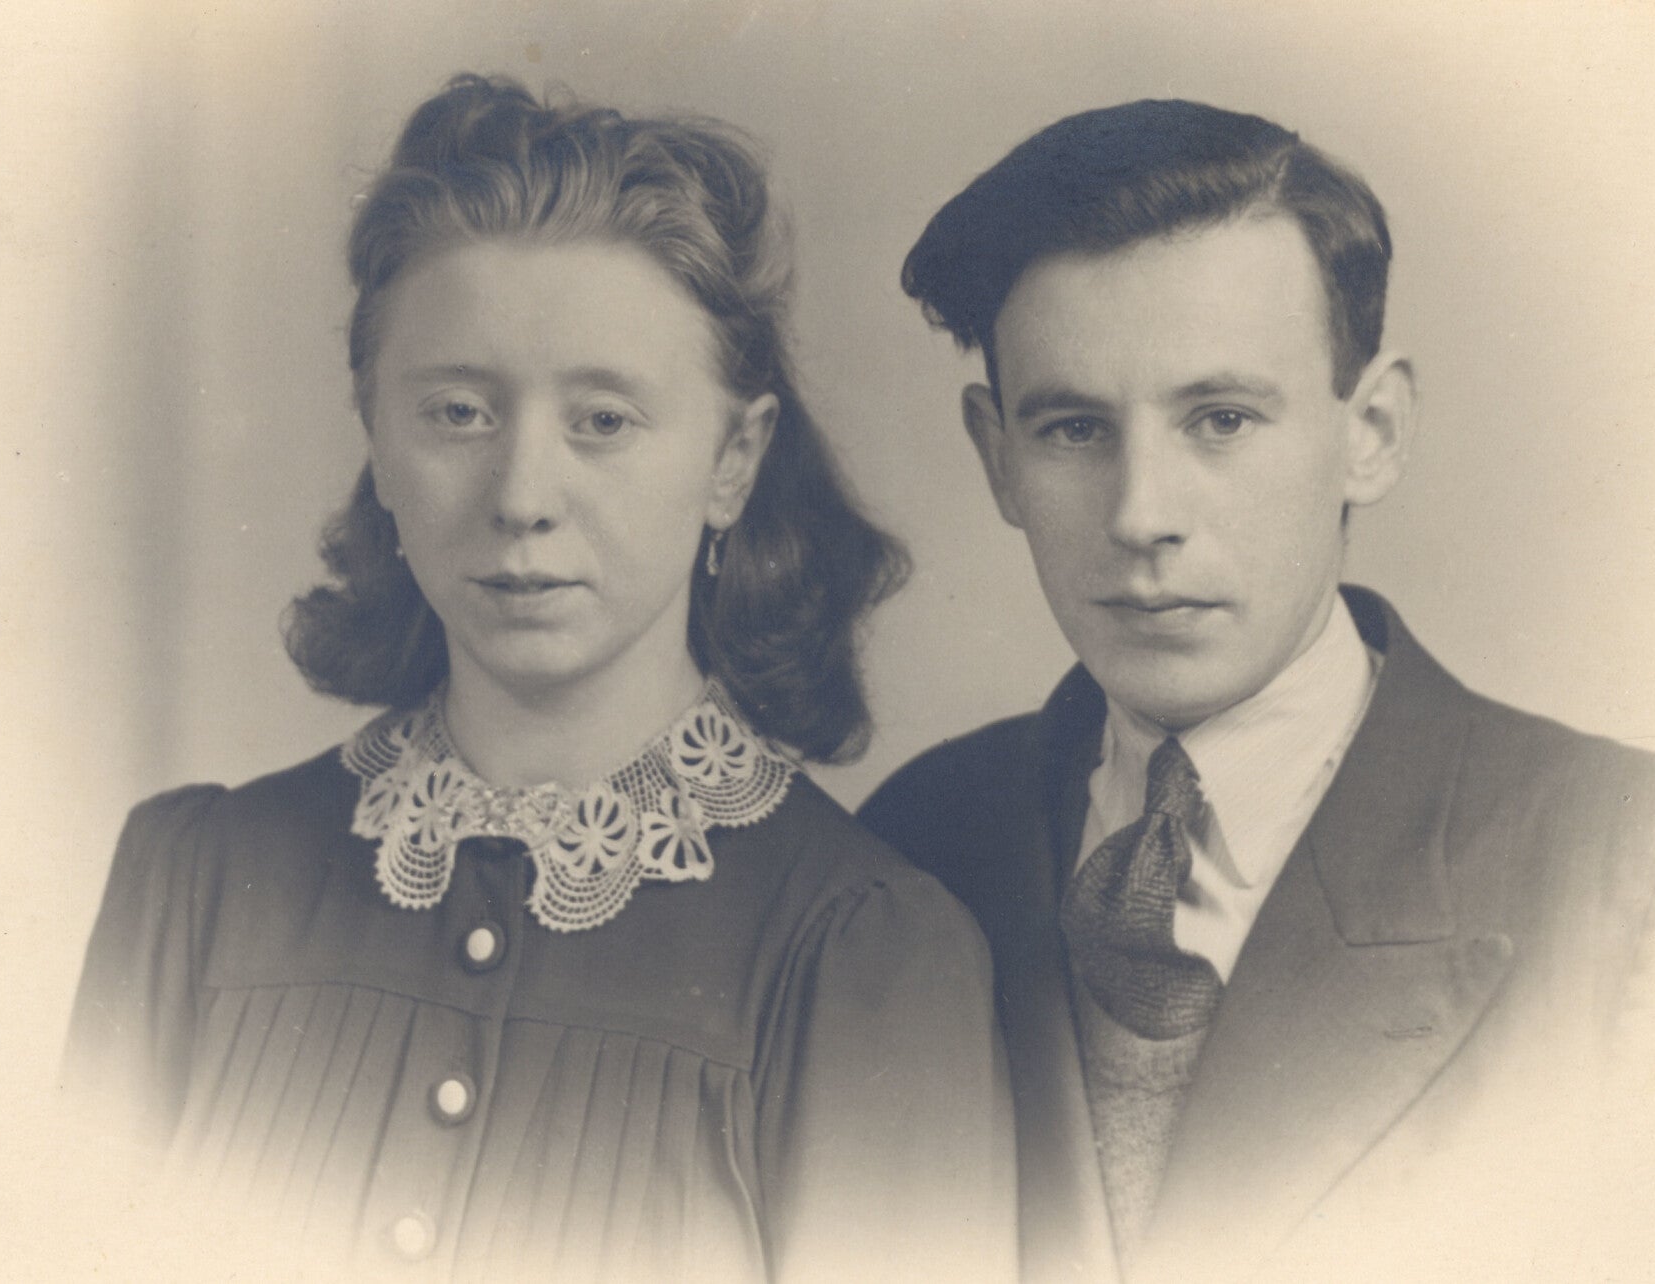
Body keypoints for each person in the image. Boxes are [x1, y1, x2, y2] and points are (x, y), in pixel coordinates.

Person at [65, 75, 1016, 1283]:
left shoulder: (862, 956)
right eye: (458, 412)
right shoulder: (191, 887)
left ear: (732, 460)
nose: (520, 496)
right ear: (378, 442)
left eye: (602, 422)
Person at [860, 99, 1655, 1282]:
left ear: (1370, 430)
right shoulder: (915, 849)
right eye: (1071, 429)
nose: (1140, 515)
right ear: (995, 456)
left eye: (1219, 419)